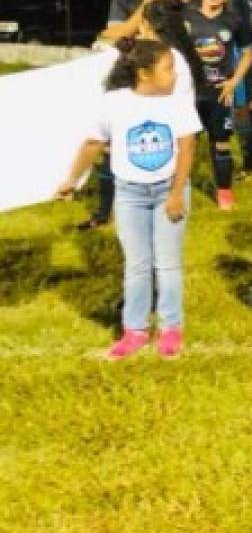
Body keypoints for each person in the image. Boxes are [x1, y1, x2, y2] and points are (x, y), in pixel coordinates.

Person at [56, 39, 201, 360]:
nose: (175, 75)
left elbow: (187, 149)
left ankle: (170, 328)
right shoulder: (113, 103)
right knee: (136, 265)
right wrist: (72, 180)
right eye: (168, 69)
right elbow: (93, 144)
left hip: (169, 189)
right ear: (144, 73)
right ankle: (134, 330)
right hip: (129, 194)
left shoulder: (177, 102)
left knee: (167, 263)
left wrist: (177, 193)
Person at [79, 0, 181, 230]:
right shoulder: (126, 0)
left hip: (160, 83)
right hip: (128, 80)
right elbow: (112, 34)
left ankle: (163, 200)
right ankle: (105, 211)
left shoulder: (174, 6)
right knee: (113, 146)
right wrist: (146, 5)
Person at [183, 0, 252, 210]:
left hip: (220, 92)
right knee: (185, 142)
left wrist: (234, 81)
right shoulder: (185, 17)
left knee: (221, 143)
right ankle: (180, 189)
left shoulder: (234, 21)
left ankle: (224, 191)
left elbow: (247, 54)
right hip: (189, 92)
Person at [211, 0, 252, 175]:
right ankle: (249, 156)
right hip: (244, 51)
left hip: (233, 53)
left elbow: (232, 27)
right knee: (243, 107)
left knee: (237, 108)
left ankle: (244, 161)